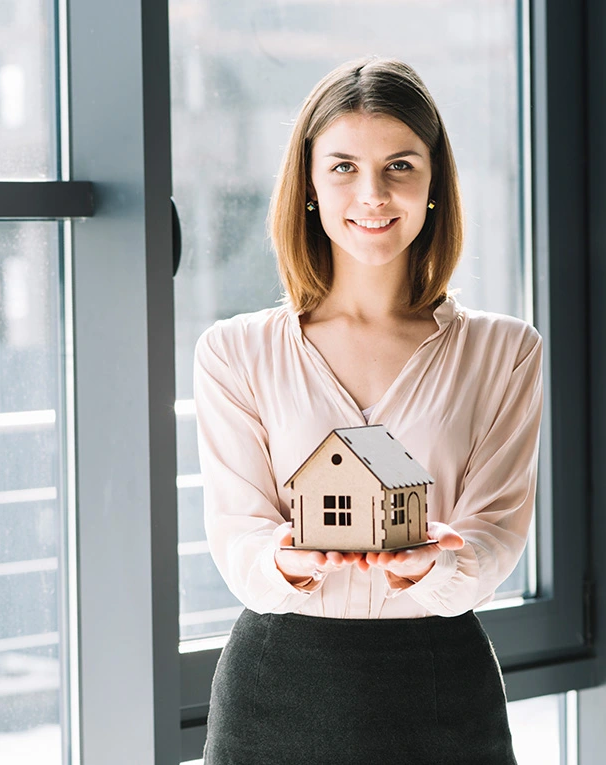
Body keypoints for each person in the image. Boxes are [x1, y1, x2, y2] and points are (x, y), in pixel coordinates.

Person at [193, 55, 543, 765]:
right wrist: (286, 557)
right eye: (344, 166)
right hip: (277, 685)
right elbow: (239, 535)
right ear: (311, 186)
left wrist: (437, 566)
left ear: (435, 183)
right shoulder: (235, 352)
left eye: (401, 166)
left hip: (440, 684)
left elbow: (497, 532)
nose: (373, 194)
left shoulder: (506, 351)